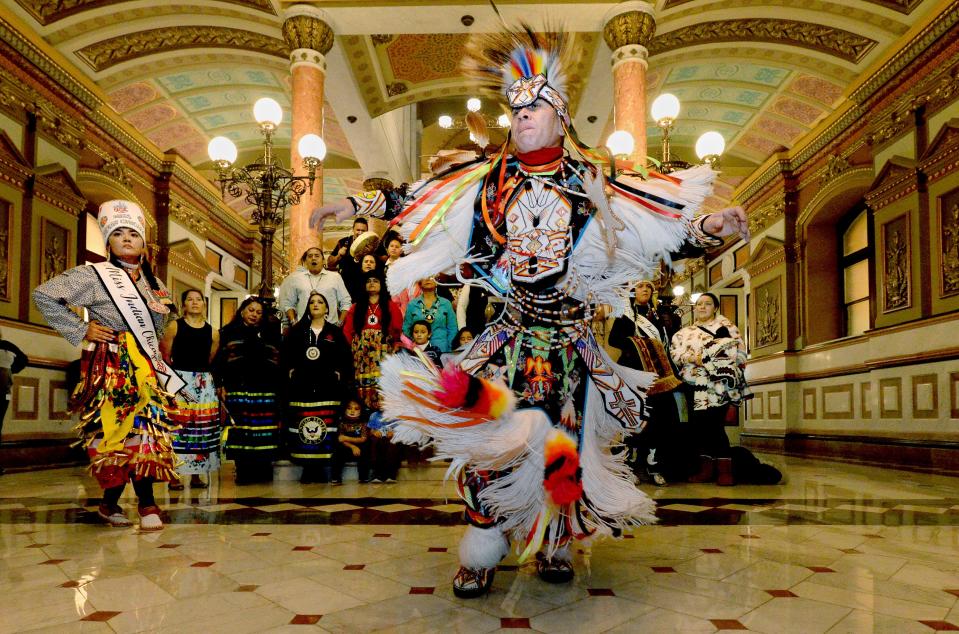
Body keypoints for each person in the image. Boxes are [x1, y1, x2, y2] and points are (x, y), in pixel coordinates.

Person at [312, 25, 749, 598]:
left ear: (560, 117)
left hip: (570, 350)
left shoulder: (595, 184)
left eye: (535, 106)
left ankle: (553, 543)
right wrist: (353, 204)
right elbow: (417, 197)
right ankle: (482, 551)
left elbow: (655, 232)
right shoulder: (486, 182)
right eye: (515, 108)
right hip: (508, 342)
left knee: (562, 450)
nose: (521, 115)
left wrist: (709, 228)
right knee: (491, 445)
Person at [33, 200, 181, 530]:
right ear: (109, 242)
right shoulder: (93, 275)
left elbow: (159, 329)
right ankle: (109, 501)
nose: (127, 239)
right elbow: (44, 295)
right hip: (110, 363)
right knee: (113, 429)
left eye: (133, 234)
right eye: (119, 234)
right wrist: (81, 328)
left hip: (144, 365)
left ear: (144, 243)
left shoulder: (155, 284)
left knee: (147, 429)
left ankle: (147, 502)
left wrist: (163, 316)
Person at [608, 281, 691, 485]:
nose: (645, 290)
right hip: (634, 372)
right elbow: (614, 340)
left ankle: (652, 462)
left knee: (659, 418)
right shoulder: (625, 315)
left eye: (648, 287)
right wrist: (640, 344)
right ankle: (632, 463)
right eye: (640, 287)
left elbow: (667, 342)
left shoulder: (660, 315)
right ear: (633, 292)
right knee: (636, 416)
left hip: (659, 374)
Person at [670, 292, 748, 483]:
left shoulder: (728, 328)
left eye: (708, 304)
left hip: (718, 386)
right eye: (699, 304)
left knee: (715, 426)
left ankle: (724, 471)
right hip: (693, 384)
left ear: (715, 308)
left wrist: (712, 361)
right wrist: (692, 358)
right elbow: (675, 354)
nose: (702, 307)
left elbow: (739, 354)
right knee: (699, 427)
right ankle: (705, 469)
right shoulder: (684, 333)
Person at [281, 291, 353, 484]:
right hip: (302, 387)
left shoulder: (335, 332)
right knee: (304, 427)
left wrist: (340, 373)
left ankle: (321, 467)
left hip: (327, 388)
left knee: (325, 428)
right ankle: (307, 468)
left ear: (327, 308)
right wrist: (290, 370)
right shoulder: (297, 331)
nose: (315, 304)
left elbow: (346, 357)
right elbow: (286, 355)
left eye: (320, 302)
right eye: (312, 302)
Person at [215, 297, 282, 484]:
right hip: (238, 387)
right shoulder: (227, 332)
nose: (254, 315)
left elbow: (277, 360)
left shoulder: (270, 333)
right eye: (251, 310)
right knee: (242, 429)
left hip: (265, 388)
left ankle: (263, 469)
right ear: (242, 311)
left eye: (259, 312)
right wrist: (220, 383)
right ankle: (243, 470)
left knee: (264, 430)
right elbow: (218, 361)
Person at [160, 289, 220, 490]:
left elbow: (211, 358)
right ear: (183, 304)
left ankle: (196, 474)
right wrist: (174, 384)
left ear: (204, 303)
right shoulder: (174, 327)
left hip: (204, 382)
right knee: (178, 427)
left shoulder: (213, 331)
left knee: (201, 429)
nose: (195, 302)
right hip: (179, 380)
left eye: (199, 299)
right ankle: (174, 474)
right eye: (190, 299)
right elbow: (165, 357)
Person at [342, 271, 403, 411]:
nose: (371, 283)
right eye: (368, 281)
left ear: (382, 285)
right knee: (363, 384)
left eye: (375, 280)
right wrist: (354, 347)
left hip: (383, 353)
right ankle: (364, 413)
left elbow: (398, 329)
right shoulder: (356, 307)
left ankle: (381, 415)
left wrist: (395, 345)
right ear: (364, 286)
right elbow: (347, 330)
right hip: (362, 355)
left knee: (382, 382)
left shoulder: (390, 306)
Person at [278, 247, 351, 331]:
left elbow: (346, 302)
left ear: (323, 260)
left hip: (330, 328)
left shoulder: (335, 277)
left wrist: (339, 324)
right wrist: (294, 323)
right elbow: (289, 303)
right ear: (305, 261)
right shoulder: (297, 278)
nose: (313, 258)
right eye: (310, 256)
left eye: (317, 255)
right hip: (304, 328)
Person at [0, 327, 28, 475]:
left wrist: (11, 370)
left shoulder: (6, 346)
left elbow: (24, 359)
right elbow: (24, 359)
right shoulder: (6, 346)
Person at [403, 277, 457, 353]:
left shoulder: (446, 303)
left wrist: (449, 346)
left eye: (431, 276)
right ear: (420, 282)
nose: (428, 279)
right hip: (419, 350)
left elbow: (453, 328)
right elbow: (406, 328)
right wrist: (417, 338)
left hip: (442, 349)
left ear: (437, 281)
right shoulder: (412, 304)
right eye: (424, 277)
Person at [331, 396, 370, 484]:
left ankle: (363, 477)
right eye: (349, 408)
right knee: (337, 451)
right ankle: (336, 477)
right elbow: (341, 439)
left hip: (360, 447)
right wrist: (352, 446)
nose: (352, 411)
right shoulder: (342, 422)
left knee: (365, 449)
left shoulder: (363, 422)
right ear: (344, 409)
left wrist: (347, 438)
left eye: (356, 409)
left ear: (361, 410)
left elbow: (363, 438)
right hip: (346, 446)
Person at [335, 217, 369, 300]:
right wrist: (339, 255)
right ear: (353, 229)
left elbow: (385, 259)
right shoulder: (343, 242)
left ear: (367, 231)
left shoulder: (372, 242)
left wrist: (371, 252)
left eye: (363, 230)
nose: (360, 233)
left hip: (365, 285)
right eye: (358, 230)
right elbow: (330, 262)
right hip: (346, 285)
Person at [367, 409, 401, 483]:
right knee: (374, 443)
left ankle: (391, 474)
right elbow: (370, 430)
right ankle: (376, 474)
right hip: (378, 438)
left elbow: (399, 429)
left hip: (390, 437)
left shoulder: (395, 414)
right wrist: (374, 432)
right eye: (379, 399)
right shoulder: (374, 415)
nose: (380, 402)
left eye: (383, 400)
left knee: (392, 445)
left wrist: (393, 433)